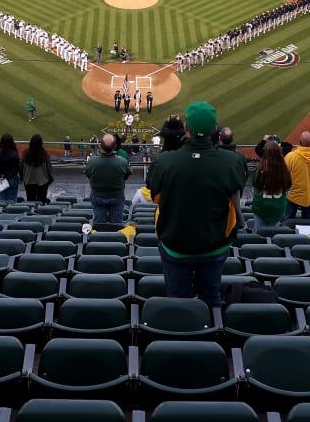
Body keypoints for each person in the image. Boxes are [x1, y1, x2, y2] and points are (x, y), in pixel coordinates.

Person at [146, 101, 246, 308]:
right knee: (211, 299)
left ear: (186, 128)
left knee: (177, 301)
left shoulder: (165, 161)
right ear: (214, 130)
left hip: (175, 245)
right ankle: (211, 333)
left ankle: (183, 335)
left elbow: (154, 195)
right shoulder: (232, 161)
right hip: (215, 244)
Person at [86, 133, 131, 227]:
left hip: (98, 196)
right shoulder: (122, 161)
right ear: (115, 146)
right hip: (116, 196)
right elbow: (126, 175)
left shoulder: (92, 161)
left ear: (100, 146)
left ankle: (99, 239)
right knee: (117, 225)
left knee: (99, 225)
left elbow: (88, 175)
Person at [249, 140, 291, 229]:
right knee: (273, 235)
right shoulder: (284, 169)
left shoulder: (260, 168)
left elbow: (255, 185)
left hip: (261, 207)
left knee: (260, 235)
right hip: (278, 208)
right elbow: (288, 186)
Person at [21, 135, 54, 204]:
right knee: (42, 201)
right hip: (42, 182)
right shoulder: (44, 154)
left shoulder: (26, 153)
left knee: (30, 200)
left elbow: (21, 167)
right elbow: (49, 168)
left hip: (29, 181)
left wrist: (23, 177)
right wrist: (49, 177)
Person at [0, 134, 20, 201]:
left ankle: (1, 211)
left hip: (1, 180)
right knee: (12, 200)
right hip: (11, 179)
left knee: (1, 199)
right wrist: (5, 177)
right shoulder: (14, 153)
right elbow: (15, 169)